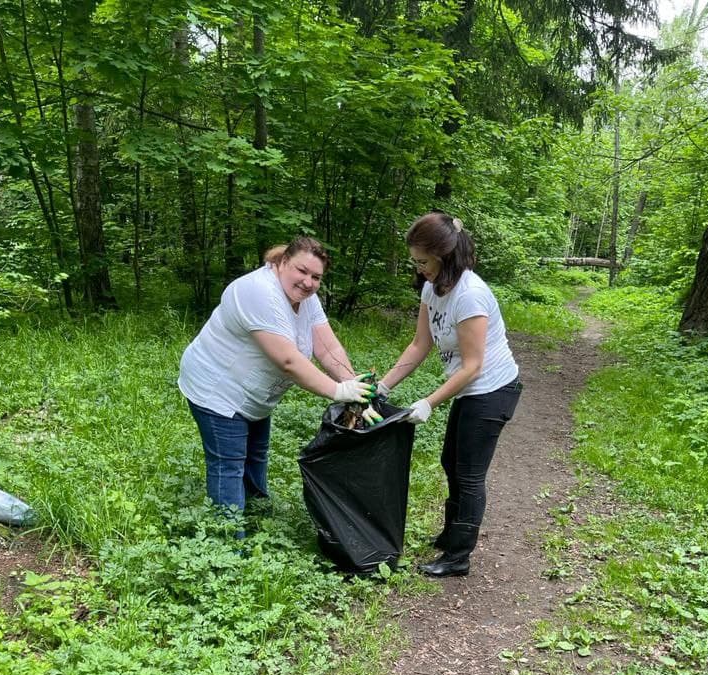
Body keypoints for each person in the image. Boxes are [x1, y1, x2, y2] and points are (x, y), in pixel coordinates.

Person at [178, 237, 377, 518]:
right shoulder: (258, 292)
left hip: (256, 395)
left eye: (316, 277)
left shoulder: (306, 299)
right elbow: (287, 361)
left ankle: (258, 520)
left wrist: (358, 391)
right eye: (302, 271)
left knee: (256, 456)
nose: (308, 282)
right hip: (218, 388)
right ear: (283, 262)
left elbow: (328, 347)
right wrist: (338, 391)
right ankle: (228, 543)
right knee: (229, 464)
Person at [377, 212, 522, 578]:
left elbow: (473, 365)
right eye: (415, 261)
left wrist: (428, 402)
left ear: (443, 254)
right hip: (471, 390)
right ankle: (450, 534)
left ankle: (459, 556)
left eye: (423, 261)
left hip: (493, 390)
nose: (419, 268)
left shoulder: (470, 295)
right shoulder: (432, 287)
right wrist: (382, 385)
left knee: (469, 473)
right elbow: (419, 345)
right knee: (450, 462)